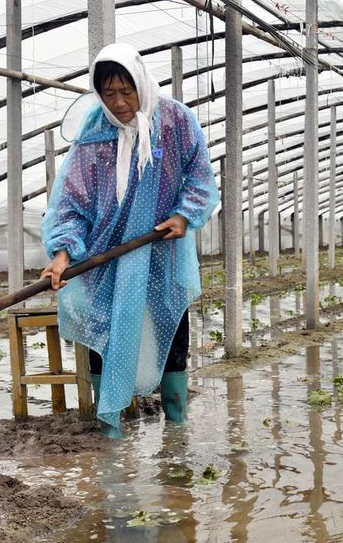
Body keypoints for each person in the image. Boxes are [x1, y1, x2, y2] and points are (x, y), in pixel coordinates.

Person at [40, 43, 219, 439]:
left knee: (170, 337)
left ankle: (178, 434)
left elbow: (201, 177)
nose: (119, 103)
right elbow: (72, 202)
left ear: (141, 85)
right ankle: (111, 437)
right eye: (109, 94)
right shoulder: (94, 133)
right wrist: (63, 252)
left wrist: (184, 214)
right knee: (103, 332)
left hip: (161, 252)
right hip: (105, 259)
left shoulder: (175, 121)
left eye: (126, 91)